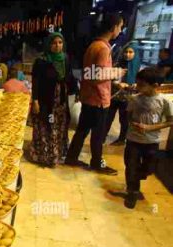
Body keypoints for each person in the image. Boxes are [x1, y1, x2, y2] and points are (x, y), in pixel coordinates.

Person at [65, 13, 126, 175]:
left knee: (82, 130)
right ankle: (97, 164)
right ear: (113, 28)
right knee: (98, 135)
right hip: (98, 99)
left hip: (89, 97)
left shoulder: (94, 45)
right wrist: (116, 72)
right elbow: (98, 75)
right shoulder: (103, 48)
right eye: (120, 26)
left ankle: (71, 157)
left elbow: (91, 73)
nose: (120, 30)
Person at [123, 68, 173, 208]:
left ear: (155, 86)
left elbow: (170, 121)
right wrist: (133, 125)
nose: (138, 87)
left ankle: (138, 177)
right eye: (137, 84)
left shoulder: (164, 102)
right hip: (133, 140)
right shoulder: (135, 99)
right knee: (131, 167)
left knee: (149, 168)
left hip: (152, 142)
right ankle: (132, 191)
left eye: (141, 85)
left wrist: (150, 128)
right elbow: (128, 115)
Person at [27, 32, 78, 167]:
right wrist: (35, 101)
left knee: (59, 124)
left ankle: (56, 153)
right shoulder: (41, 61)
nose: (57, 46)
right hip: (46, 100)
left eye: (60, 43)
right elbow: (36, 82)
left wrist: (77, 91)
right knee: (47, 124)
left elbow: (70, 76)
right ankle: (45, 156)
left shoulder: (65, 58)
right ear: (49, 44)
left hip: (61, 99)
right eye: (54, 43)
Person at [105, 43, 141, 145]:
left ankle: (121, 139)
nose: (127, 54)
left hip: (129, 99)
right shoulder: (117, 65)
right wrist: (117, 84)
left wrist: (134, 85)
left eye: (130, 52)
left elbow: (142, 83)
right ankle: (102, 136)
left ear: (135, 53)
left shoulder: (138, 68)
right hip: (115, 96)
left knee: (124, 120)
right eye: (126, 52)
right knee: (108, 118)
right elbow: (108, 79)